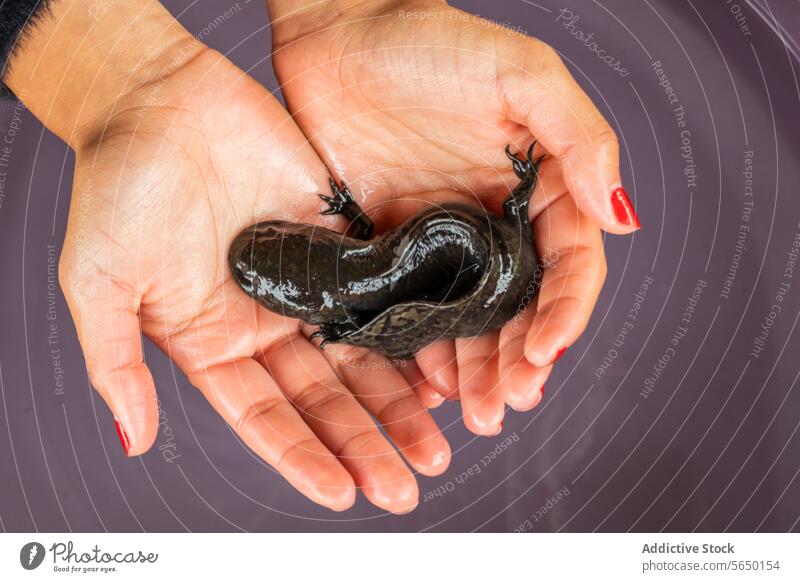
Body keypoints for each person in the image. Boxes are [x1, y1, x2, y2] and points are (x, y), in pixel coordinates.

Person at [2, 0, 638, 514]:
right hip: (484, 252)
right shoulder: (357, 266)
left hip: (491, 257)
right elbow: (373, 270)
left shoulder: (358, 282)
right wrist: (120, 92)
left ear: (325, 242)